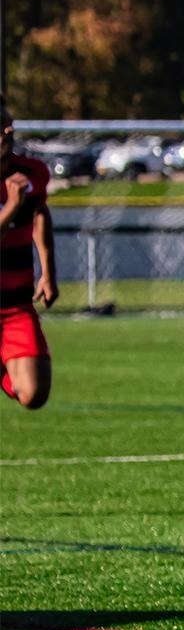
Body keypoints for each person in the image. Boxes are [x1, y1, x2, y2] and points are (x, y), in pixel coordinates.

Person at [0, 95, 55, 409]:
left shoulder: (32, 174)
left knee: (34, 395)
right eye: (0, 126)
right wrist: (11, 207)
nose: (7, 132)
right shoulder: (15, 194)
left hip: (16, 305)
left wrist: (49, 273)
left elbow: (40, 213)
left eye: (9, 125)